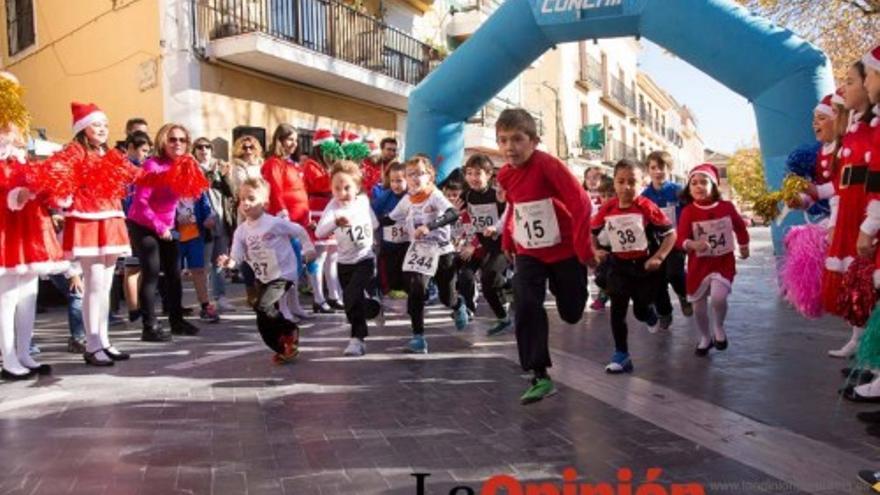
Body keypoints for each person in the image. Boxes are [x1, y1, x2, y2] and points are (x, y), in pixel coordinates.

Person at [496, 108, 592, 404]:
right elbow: (516, 208)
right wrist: (508, 238)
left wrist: (583, 248)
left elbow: (582, 203)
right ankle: (539, 374)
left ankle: (574, 293)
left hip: (564, 250)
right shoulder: (504, 174)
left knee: (572, 312)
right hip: (529, 252)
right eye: (503, 140)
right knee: (524, 303)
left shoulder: (549, 165)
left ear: (534, 141)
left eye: (517, 139)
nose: (510, 147)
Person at [59, 102, 141, 366]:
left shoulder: (109, 155)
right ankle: (92, 345)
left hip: (111, 220)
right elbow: (58, 177)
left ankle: (103, 340)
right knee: (93, 285)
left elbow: (135, 175)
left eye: (105, 125)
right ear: (83, 128)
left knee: (105, 287)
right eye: (96, 125)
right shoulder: (74, 151)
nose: (103, 130)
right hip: (87, 222)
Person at [592, 159, 676, 374]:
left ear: (642, 183)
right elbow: (590, 232)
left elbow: (670, 234)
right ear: (615, 183)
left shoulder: (647, 206)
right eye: (621, 181)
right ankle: (621, 354)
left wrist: (658, 257)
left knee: (639, 310)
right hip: (619, 266)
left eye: (632, 181)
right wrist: (594, 250)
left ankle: (648, 313)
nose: (626, 187)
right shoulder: (608, 207)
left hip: (645, 268)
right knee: (617, 310)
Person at [219, 178, 315, 364]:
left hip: (283, 274)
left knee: (263, 306)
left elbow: (299, 231)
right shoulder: (241, 231)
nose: (245, 203)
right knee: (262, 318)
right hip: (264, 277)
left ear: (265, 204)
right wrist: (228, 263)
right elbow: (237, 256)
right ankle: (283, 349)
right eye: (242, 199)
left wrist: (308, 249)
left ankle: (289, 330)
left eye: (251, 198)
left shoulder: (274, 223)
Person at [128, 123, 205, 342]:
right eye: (172, 139)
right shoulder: (153, 165)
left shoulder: (184, 165)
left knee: (174, 273)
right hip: (143, 222)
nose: (177, 143)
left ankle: (177, 321)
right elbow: (141, 204)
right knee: (151, 272)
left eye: (182, 140)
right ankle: (149, 326)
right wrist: (160, 227)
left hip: (167, 224)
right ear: (163, 141)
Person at [820, 60, 876, 359]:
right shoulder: (854, 134)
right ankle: (861, 339)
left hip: (864, 216)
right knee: (859, 283)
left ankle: (868, 349)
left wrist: (870, 223)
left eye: (852, 81)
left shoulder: (871, 130)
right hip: (851, 216)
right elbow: (843, 187)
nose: (848, 87)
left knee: (866, 281)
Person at [379, 155, 462, 353]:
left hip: (442, 251)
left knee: (446, 298)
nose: (416, 178)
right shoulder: (407, 200)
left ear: (430, 177)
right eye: (411, 174)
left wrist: (429, 226)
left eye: (421, 174)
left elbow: (453, 214)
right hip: (419, 251)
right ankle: (418, 337)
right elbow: (390, 219)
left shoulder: (435, 195)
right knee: (415, 289)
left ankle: (458, 305)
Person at [676, 164, 749, 356]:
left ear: (714, 186)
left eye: (703, 182)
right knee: (698, 307)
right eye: (694, 183)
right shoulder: (688, 212)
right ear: (688, 188)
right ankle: (705, 337)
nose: (698, 186)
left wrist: (744, 245)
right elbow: (680, 239)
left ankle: (718, 327)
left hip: (722, 263)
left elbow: (740, 227)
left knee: (718, 297)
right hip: (698, 266)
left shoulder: (726, 207)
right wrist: (692, 244)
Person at [315, 161, 379, 356]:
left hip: (365, 259)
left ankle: (356, 338)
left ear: (357, 187)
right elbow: (319, 232)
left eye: (347, 187)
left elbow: (374, 223)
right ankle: (369, 316)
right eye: (337, 188)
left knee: (351, 296)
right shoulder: (333, 207)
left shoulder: (363, 201)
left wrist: (369, 239)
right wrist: (336, 222)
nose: (342, 193)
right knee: (352, 302)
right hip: (344, 263)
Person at [461, 153, 512, 336]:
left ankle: (506, 301)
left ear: (489, 175)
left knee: (489, 278)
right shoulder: (466, 195)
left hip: (500, 246)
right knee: (465, 276)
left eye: (478, 173)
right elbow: (462, 218)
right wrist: (471, 243)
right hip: (478, 245)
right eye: (469, 173)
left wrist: (496, 227)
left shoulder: (497, 195)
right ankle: (471, 310)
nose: (473, 178)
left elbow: (508, 217)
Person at [641, 151, 692, 327]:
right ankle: (664, 312)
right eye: (653, 168)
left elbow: (689, 213)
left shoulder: (679, 192)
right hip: (655, 244)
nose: (658, 171)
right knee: (657, 279)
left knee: (674, 273)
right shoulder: (644, 196)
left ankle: (684, 295)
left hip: (676, 242)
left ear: (668, 168)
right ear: (648, 170)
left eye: (661, 167)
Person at [193, 137, 236, 312]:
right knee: (203, 264)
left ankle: (221, 297)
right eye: (200, 147)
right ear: (194, 151)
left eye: (207, 147)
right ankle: (204, 300)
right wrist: (209, 175)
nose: (204, 150)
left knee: (220, 261)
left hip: (220, 218)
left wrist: (225, 176)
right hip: (203, 222)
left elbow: (231, 193)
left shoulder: (220, 167)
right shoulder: (192, 168)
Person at [303, 129, 344, 313]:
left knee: (333, 257)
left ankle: (334, 296)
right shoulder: (310, 165)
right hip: (317, 210)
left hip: (330, 209)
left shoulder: (327, 166)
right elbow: (321, 184)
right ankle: (318, 298)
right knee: (319, 257)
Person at [120, 130, 152, 322]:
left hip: (141, 221)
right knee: (132, 267)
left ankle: (137, 305)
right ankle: (133, 309)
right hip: (128, 221)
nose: (146, 155)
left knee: (140, 267)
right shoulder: (124, 169)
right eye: (143, 150)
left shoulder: (143, 168)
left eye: (148, 151)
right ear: (131, 147)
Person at [176, 191, 220, 322]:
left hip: (195, 235)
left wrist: (209, 219)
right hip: (175, 237)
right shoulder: (169, 186)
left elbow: (207, 209)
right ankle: (174, 305)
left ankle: (205, 305)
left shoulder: (198, 190)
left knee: (199, 271)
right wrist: (174, 219)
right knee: (173, 273)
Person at [372, 161, 408, 298]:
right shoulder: (385, 196)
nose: (395, 185)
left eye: (399, 181)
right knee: (389, 267)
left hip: (407, 242)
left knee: (404, 268)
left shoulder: (411, 196)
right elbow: (372, 213)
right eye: (392, 181)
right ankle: (386, 290)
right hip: (388, 243)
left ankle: (405, 289)